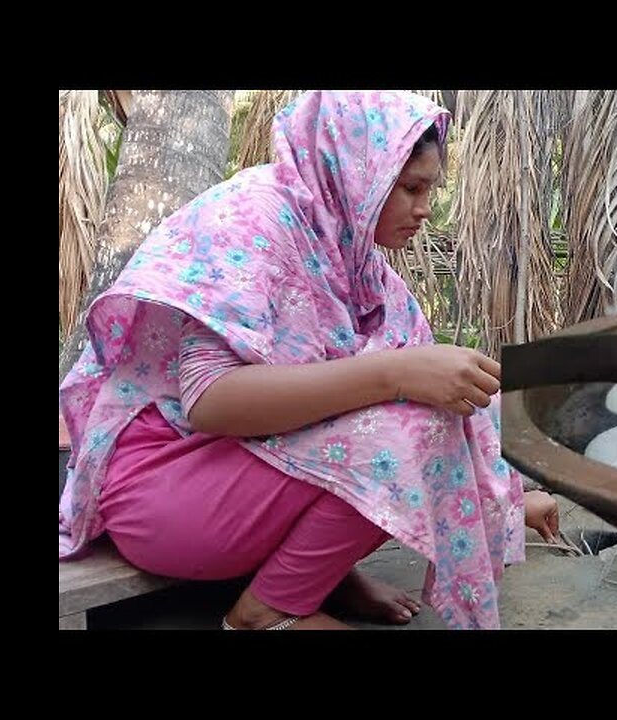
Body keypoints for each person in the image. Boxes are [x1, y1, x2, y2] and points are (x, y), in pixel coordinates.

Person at [59, 90, 561, 630]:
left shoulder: (358, 266)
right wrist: (393, 374)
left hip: (239, 476)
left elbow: (449, 407)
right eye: (411, 188)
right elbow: (210, 402)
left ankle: (327, 578)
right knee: (417, 426)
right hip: (163, 488)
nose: (423, 209)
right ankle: (265, 612)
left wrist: (509, 504)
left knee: (465, 401)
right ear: (357, 169)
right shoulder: (250, 222)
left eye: (429, 190)